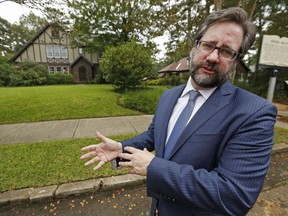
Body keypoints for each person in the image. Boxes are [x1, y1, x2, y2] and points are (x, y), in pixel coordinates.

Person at [80, 7, 277, 216]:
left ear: (235, 62)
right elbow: (155, 136)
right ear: (193, 48)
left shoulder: (254, 112)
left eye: (227, 51)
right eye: (208, 45)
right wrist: (121, 148)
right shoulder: (169, 96)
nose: (212, 57)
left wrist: (154, 167)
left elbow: (234, 195)